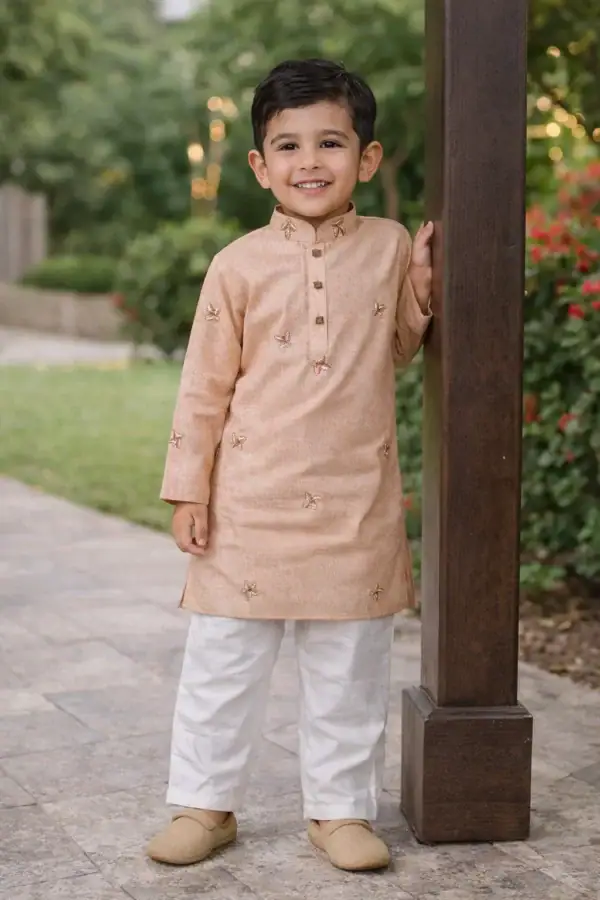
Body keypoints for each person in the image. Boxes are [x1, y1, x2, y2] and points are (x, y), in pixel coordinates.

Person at [146, 57, 433, 873]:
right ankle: (205, 803)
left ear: (366, 159)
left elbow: (405, 347)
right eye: (289, 146)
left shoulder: (387, 246)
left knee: (349, 667)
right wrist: (187, 490)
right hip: (248, 505)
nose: (311, 161)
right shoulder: (236, 264)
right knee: (223, 665)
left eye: (332, 142)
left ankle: (339, 812)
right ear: (260, 165)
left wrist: (419, 286)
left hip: (355, 503)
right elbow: (203, 386)